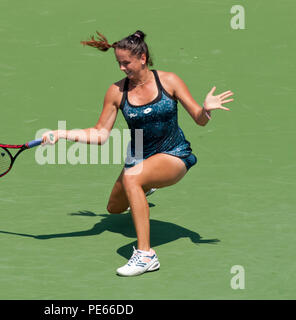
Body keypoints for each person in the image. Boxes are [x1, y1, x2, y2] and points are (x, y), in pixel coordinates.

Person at [41, 30, 234, 276]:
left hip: (174, 154)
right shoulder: (116, 92)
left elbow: (200, 120)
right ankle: (145, 184)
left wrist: (206, 110)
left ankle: (146, 255)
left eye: (126, 63)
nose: (122, 68)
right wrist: (61, 134)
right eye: (118, 63)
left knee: (133, 177)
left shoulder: (169, 81)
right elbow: (100, 133)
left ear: (142, 58)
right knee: (114, 208)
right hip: (140, 156)